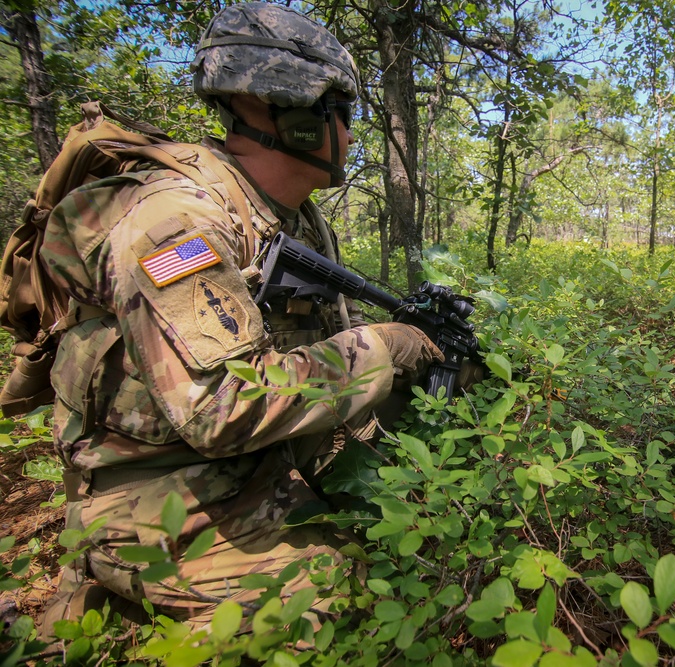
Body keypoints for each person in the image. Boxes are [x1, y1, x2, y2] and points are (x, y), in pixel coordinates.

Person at [40, 1, 442, 627]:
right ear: (304, 119)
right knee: (338, 598)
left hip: (249, 466)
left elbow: (316, 359)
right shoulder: (175, 223)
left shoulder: (288, 218)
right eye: (344, 115)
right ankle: (110, 586)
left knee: (411, 506)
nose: (353, 134)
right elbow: (220, 406)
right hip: (150, 492)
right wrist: (387, 347)